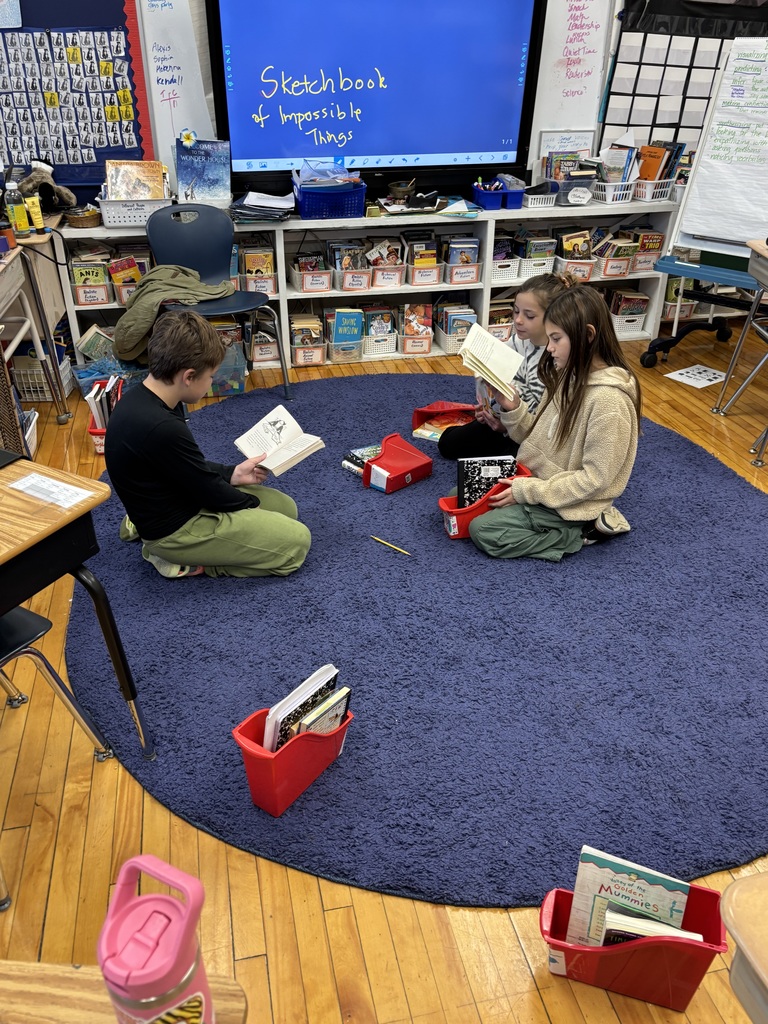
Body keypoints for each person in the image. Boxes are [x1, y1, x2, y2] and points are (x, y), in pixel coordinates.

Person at [104, 310, 311, 579]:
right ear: (188, 376)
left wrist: (232, 474)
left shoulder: (144, 399)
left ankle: (141, 528)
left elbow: (186, 467)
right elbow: (209, 490)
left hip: (170, 499)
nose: (211, 382)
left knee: (287, 509)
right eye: (210, 376)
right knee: (296, 542)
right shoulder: (163, 427)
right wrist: (250, 507)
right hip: (175, 529)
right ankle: (178, 559)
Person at [468, 287, 641, 562]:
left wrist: (528, 492)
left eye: (556, 339)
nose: (549, 348)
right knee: (463, 495)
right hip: (535, 479)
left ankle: (581, 531)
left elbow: (595, 480)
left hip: (569, 502)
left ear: (587, 335)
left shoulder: (610, 402)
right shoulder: (566, 375)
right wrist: (512, 408)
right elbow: (535, 436)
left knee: (483, 530)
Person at [438, 273, 576, 460]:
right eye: (516, 311)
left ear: (554, 317)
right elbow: (499, 382)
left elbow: (548, 427)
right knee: (447, 444)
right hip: (504, 420)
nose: (518, 320)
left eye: (529, 316)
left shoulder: (559, 357)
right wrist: (487, 409)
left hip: (533, 438)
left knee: (512, 469)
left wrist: (507, 426)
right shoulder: (518, 341)